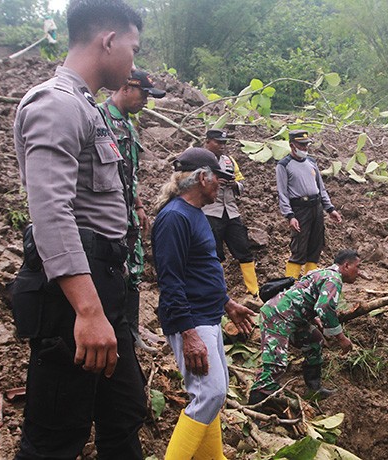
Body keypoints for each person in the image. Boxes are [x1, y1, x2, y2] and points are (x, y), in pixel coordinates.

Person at [11, 0, 146, 457]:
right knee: (56, 436)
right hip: (73, 300)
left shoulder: (89, 110)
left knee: (124, 415)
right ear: (108, 41)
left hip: (107, 288)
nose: (134, 61)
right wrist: (88, 313)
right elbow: (50, 211)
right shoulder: (57, 104)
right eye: (133, 47)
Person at [151, 147, 256, 459]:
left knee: (211, 395)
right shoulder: (173, 218)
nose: (221, 185)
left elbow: (200, 270)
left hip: (206, 315)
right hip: (190, 319)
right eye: (218, 179)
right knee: (210, 393)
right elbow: (170, 280)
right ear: (202, 177)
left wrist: (227, 303)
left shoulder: (195, 215)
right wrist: (188, 333)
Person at [98, 68, 165, 352]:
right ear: (126, 88)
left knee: (135, 268)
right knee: (112, 270)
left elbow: (130, 171)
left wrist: (137, 205)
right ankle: (115, 333)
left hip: (127, 210)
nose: (146, 101)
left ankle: (132, 332)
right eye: (144, 94)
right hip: (106, 212)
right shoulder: (100, 118)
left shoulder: (128, 124)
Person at [247, 249, 359, 405]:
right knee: (276, 364)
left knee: (315, 340)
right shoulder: (334, 278)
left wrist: (313, 318)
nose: (358, 272)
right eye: (357, 267)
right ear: (346, 266)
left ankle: (314, 388)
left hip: (292, 318)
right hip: (278, 316)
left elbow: (306, 296)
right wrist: (341, 338)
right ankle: (256, 406)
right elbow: (325, 307)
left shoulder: (323, 272)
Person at [276, 129, 342, 278]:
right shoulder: (284, 165)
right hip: (299, 209)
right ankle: (290, 287)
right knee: (299, 248)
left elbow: (320, 187)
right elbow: (282, 193)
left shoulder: (311, 162)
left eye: (306, 145)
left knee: (315, 248)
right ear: (292, 145)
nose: (305, 148)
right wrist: (289, 216)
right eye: (301, 145)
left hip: (316, 207)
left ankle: (309, 284)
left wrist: (330, 208)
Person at [201, 129, 259, 297]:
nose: (222, 146)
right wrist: (214, 181)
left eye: (224, 143)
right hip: (210, 212)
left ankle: (254, 290)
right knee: (215, 253)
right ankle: (218, 291)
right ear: (207, 142)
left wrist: (234, 185)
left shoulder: (229, 161)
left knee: (244, 249)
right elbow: (190, 182)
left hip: (231, 211)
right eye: (218, 142)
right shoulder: (200, 160)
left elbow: (242, 182)